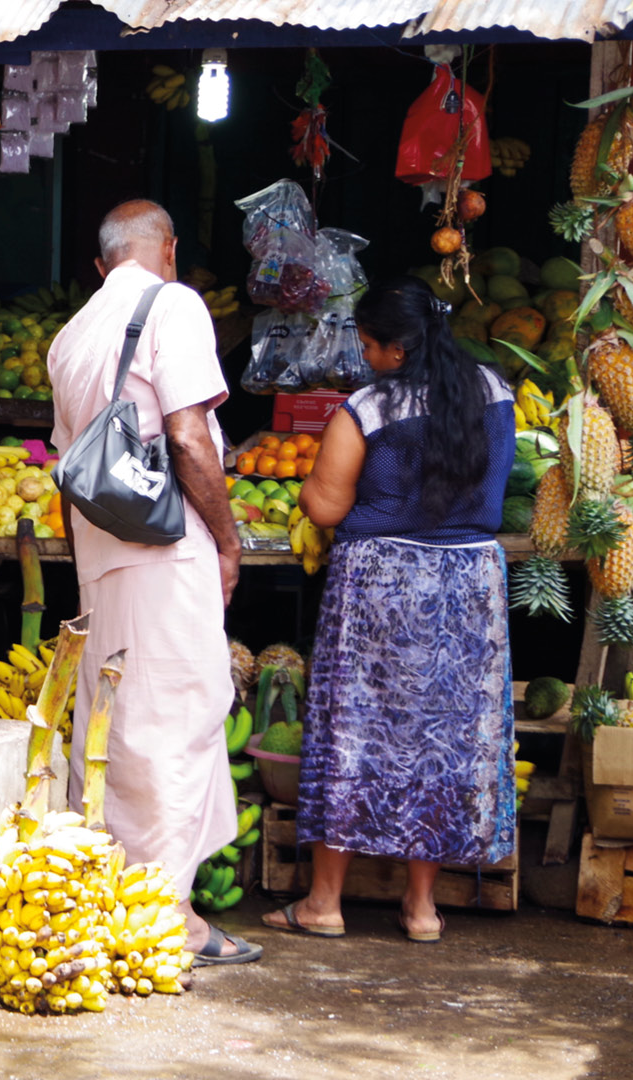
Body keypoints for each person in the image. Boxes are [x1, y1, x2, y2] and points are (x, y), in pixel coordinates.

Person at [262, 276, 517, 943]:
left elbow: (324, 506)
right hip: (470, 583)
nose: (364, 357)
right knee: (440, 741)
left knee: (353, 734)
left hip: (384, 583)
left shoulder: (367, 409)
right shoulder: (494, 391)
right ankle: (423, 909)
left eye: (370, 345)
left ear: (398, 349)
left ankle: (324, 903)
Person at [47, 199, 259, 966]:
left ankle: (108, 903)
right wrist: (228, 543)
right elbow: (188, 434)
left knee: (114, 729)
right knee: (176, 727)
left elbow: (69, 466)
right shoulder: (175, 303)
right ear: (167, 249)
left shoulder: (71, 336)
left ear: (102, 265)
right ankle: (171, 924)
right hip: (169, 552)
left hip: (103, 562)